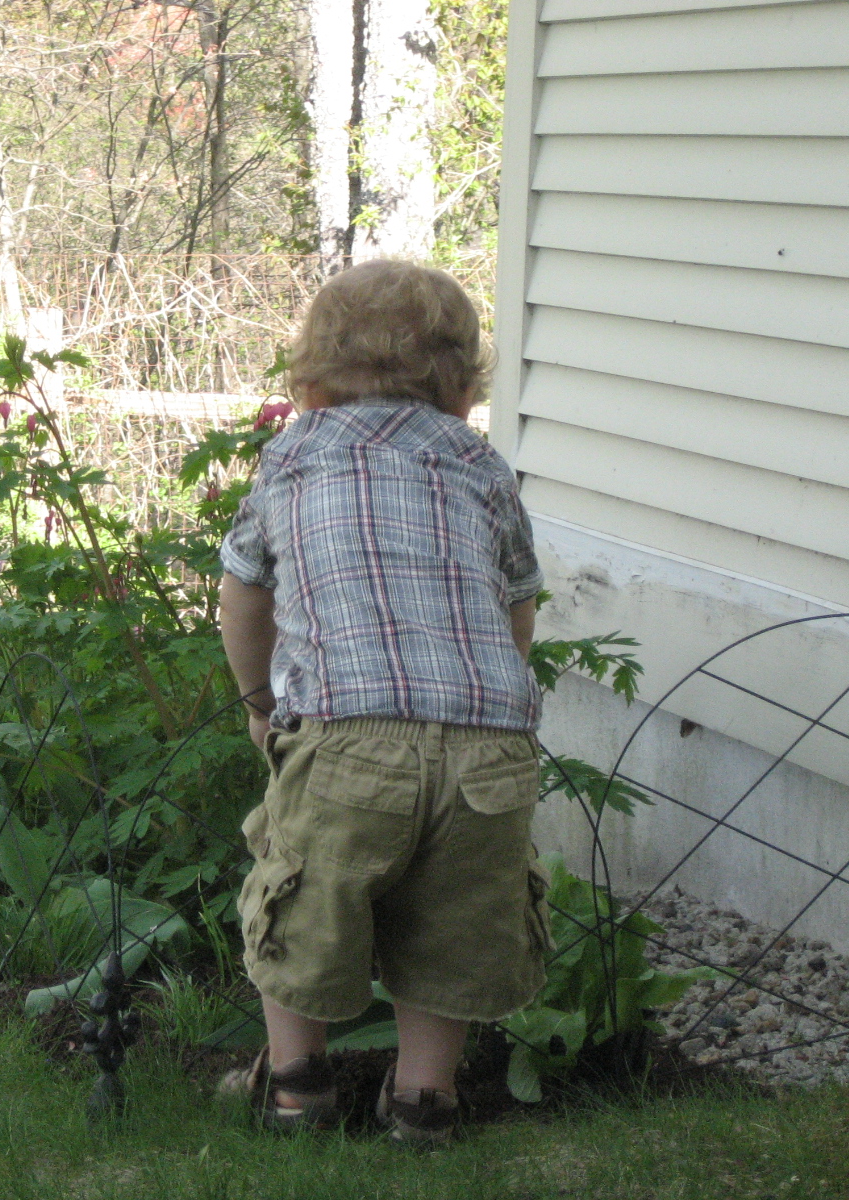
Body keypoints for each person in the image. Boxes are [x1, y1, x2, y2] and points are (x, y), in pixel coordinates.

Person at [216, 259, 551, 1144]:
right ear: (462, 379)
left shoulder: (294, 456)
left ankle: (296, 1091)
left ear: (315, 369)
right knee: (453, 924)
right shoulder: (479, 464)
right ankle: (423, 1104)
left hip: (348, 738)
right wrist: (482, 707)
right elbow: (517, 605)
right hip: (489, 746)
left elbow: (243, 597)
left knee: (304, 905)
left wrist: (258, 700)